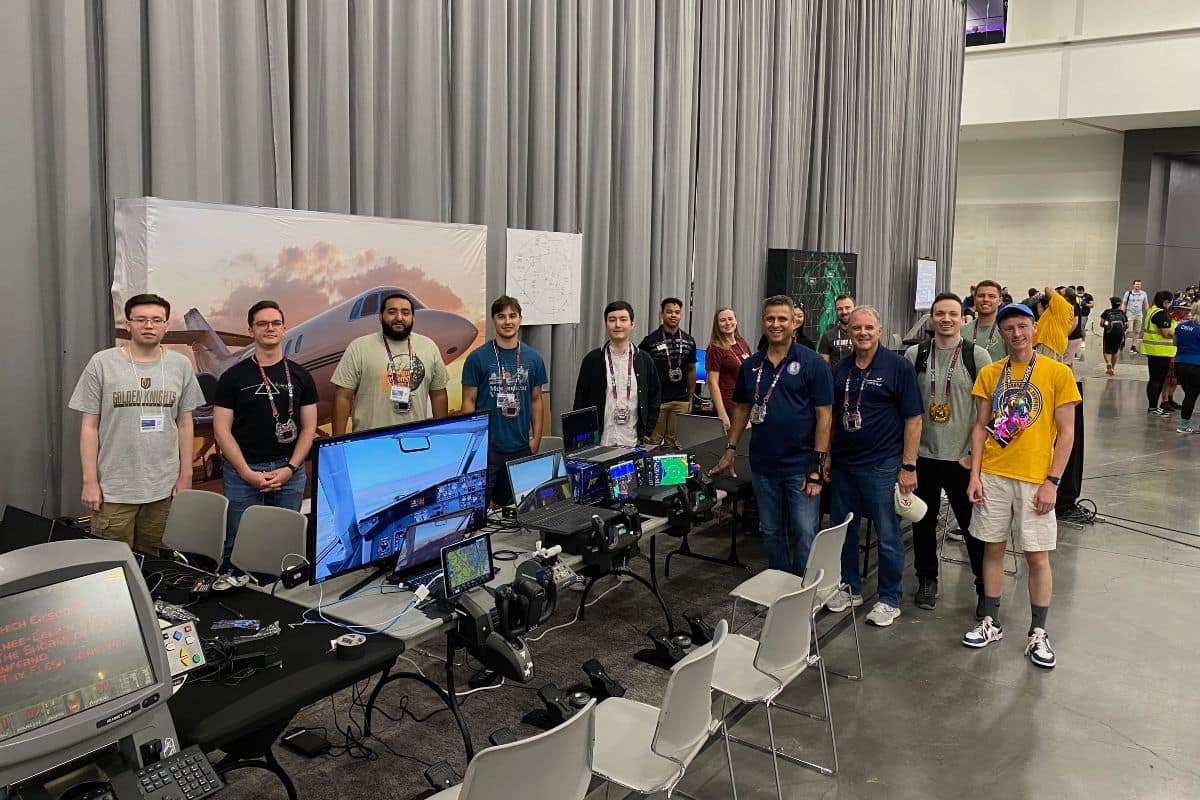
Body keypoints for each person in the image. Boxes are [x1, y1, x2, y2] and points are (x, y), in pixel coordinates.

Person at [962, 302, 1081, 669]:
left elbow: (1067, 433)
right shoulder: (992, 374)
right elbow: (981, 427)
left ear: (1034, 328)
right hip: (994, 477)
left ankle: (1038, 632)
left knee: (1036, 556)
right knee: (992, 550)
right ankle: (992, 622)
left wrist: (1053, 482)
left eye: (1023, 326)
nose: (1017, 334)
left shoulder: (1056, 372)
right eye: (1009, 328)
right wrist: (975, 474)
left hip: (1034, 480)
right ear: (1001, 333)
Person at [68, 294, 205, 555]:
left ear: (166, 325)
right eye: (140, 319)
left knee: (153, 559)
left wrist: (186, 474)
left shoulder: (181, 365)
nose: (149, 325)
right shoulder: (102, 363)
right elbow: (89, 426)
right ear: (128, 324)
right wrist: (89, 481)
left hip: (163, 489)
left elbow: (186, 423)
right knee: (111, 564)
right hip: (115, 490)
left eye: (156, 320)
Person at [710, 296, 833, 575]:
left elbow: (825, 416)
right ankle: (779, 584)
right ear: (763, 322)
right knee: (772, 530)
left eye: (782, 319)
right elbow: (741, 409)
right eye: (770, 319)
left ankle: (802, 592)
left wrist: (817, 465)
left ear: (793, 324)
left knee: (804, 531)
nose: (776, 324)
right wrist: (730, 448)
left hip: (801, 466)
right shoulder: (751, 365)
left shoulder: (813, 363)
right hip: (764, 464)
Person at [823, 306, 924, 628]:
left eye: (869, 327)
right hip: (844, 465)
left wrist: (908, 466)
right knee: (844, 530)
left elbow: (914, 419)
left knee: (888, 533)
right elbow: (832, 419)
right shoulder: (840, 370)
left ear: (879, 330)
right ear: (848, 332)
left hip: (882, 466)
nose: (862, 333)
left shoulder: (898, 367)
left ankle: (889, 598)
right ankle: (850, 587)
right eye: (856, 328)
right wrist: (825, 457)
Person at [212, 301, 319, 584]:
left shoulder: (301, 376)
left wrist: (291, 468)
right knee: (237, 539)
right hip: (241, 472)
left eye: (275, 323)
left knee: (281, 541)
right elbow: (222, 431)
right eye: (262, 324)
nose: (269, 328)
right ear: (251, 330)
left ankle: (276, 596)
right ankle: (233, 590)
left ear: (284, 328)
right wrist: (247, 472)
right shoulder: (232, 377)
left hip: (289, 471)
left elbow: (309, 428)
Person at [904, 293, 992, 611]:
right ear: (931, 317)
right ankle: (927, 580)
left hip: (961, 457)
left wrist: (975, 455)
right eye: (939, 313)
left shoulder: (976, 356)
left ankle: (985, 588)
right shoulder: (916, 354)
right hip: (923, 456)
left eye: (952, 314)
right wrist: (907, 457)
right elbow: (904, 404)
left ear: (962, 318)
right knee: (923, 524)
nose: (946, 319)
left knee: (973, 527)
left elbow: (987, 410)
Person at [461, 296, 548, 505]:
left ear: (520, 319)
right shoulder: (478, 358)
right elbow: (468, 402)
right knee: (478, 508)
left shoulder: (533, 358)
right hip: (487, 448)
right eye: (501, 316)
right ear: (493, 320)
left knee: (520, 508)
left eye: (512, 316)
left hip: (520, 446)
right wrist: (472, 444)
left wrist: (536, 438)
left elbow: (537, 400)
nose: (507, 321)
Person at [331, 291, 449, 434]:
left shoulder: (429, 346)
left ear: (413, 318)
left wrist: (442, 434)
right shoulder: (359, 347)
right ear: (381, 317)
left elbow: (439, 394)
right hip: (369, 443)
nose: (399, 318)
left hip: (415, 440)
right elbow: (343, 397)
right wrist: (337, 441)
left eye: (405, 313)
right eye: (392, 312)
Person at [573, 300, 661, 446]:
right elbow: (580, 401)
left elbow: (654, 398)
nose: (618, 325)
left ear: (632, 324)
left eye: (623, 320)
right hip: (601, 441)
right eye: (612, 320)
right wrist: (583, 439)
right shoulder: (592, 359)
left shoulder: (644, 360)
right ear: (606, 324)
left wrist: (646, 433)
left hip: (632, 441)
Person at [641, 297, 698, 448]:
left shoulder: (689, 341)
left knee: (674, 442)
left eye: (677, 312)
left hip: (681, 400)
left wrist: (691, 397)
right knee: (653, 441)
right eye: (669, 312)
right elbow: (641, 370)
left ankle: (670, 472)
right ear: (662, 314)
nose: (673, 315)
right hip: (657, 402)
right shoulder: (650, 341)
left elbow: (691, 369)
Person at [706, 307, 753, 433]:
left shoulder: (742, 342)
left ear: (736, 321)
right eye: (722, 320)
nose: (727, 323)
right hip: (729, 405)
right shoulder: (715, 348)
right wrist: (722, 414)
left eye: (730, 319)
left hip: (746, 403)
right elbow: (712, 382)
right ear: (717, 325)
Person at [1142, 290, 1177, 417]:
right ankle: (1152, 407)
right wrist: (1177, 332)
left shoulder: (1152, 310)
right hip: (1160, 352)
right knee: (1157, 380)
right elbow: (1166, 333)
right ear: (1165, 301)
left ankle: (1154, 406)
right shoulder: (1161, 314)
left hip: (1154, 351)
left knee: (1156, 379)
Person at [961, 280, 1009, 361]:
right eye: (981, 296)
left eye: (991, 296)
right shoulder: (962, 331)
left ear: (1000, 301)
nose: (986, 299)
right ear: (974, 299)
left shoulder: (1007, 331)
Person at [1031, 285, 1076, 361]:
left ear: (1066, 298)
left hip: (1050, 344)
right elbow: (1042, 315)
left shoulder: (1063, 304)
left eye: (1060, 293)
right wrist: (1039, 301)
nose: (1057, 294)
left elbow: (1048, 289)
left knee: (1046, 369)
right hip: (1052, 344)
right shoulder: (1060, 308)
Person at [1174, 302, 1200, 434]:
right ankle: (1184, 426)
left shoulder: (1181, 326)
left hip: (1179, 364)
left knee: (1189, 395)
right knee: (1191, 395)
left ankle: (1184, 424)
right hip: (1196, 365)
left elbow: (1175, 342)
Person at [818, 294, 855, 367]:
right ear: (835, 311)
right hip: (836, 377)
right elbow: (824, 368)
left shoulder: (863, 333)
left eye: (847, 308)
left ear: (855, 308)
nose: (844, 312)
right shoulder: (827, 336)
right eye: (839, 309)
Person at [1099, 297, 1128, 376]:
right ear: (1119, 304)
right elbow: (1126, 325)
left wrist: (1107, 325)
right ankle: (1113, 368)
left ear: (1111, 303)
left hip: (1108, 334)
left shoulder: (1107, 312)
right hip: (1119, 335)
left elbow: (1101, 323)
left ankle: (1108, 363)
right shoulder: (1122, 313)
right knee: (1115, 351)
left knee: (1106, 351)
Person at [1122, 279, 1150, 353]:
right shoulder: (1128, 293)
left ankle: (1133, 346)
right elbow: (1124, 303)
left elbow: (1146, 304)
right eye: (1136, 284)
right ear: (1133, 285)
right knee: (1128, 330)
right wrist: (1122, 312)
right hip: (1130, 314)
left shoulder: (1143, 293)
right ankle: (1122, 341)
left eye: (1139, 284)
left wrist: (1149, 313)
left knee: (1137, 331)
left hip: (1139, 314)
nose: (1138, 286)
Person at [1076, 285, 1094, 350]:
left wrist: (1085, 304)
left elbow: (1092, 305)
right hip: (1076, 314)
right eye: (1078, 292)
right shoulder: (1075, 296)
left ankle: (1083, 341)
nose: (1079, 293)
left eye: (1081, 292)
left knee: (1082, 327)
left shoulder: (1088, 296)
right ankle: (1077, 340)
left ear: (1083, 291)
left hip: (1084, 314)